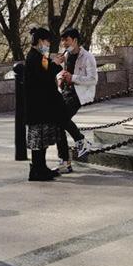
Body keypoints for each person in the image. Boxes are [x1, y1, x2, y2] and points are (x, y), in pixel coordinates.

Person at [53, 28, 97, 171]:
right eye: (62, 40)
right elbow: (62, 73)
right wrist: (60, 78)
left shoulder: (88, 57)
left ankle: (68, 156)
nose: (64, 43)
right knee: (58, 121)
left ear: (75, 40)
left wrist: (73, 78)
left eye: (67, 40)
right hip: (65, 92)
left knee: (59, 120)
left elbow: (93, 79)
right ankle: (69, 156)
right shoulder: (66, 55)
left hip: (79, 94)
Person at [24, 27, 63, 182]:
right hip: (37, 106)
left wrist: (54, 64)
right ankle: (36, 170)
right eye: (47, 42)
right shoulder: (34, 57)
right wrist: (56, 64)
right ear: (40, 41)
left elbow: (46, 71)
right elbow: (44, 77)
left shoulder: (40, 56)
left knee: (42, 139)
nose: (48, 45)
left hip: (42, 105)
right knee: (38, 140)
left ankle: (41, 167)